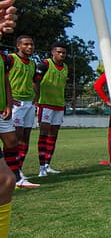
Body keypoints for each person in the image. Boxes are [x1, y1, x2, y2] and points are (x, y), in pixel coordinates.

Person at [0, 0, 63, 238]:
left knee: (5, 178)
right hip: (19, 106)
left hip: (12, 105)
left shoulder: (8, 58)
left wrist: (9, 99)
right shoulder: (15, 60)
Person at [33, 42, 68, 177]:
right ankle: (41, 167)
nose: (61, 55)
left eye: (63, 52)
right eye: (59, 52)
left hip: (59, 105)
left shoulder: (65, 67)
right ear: (53, 52)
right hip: (45, 104)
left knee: (53, 136)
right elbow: (35, 81)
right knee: (44, 134)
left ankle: (48, 165)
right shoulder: (44, 64)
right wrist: (37, 98)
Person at [7, 35, 38, 187]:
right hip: (16, 104)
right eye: (26, 44)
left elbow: (34, 81)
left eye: (31, 44)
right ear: (18, 45)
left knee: (25, 137)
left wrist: (36, 97)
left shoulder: (32, 63)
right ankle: (11, 172)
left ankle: (18, 169)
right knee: (15, 137)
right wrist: (9, 98)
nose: (30, 47)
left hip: (29, 104)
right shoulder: (10, 59)